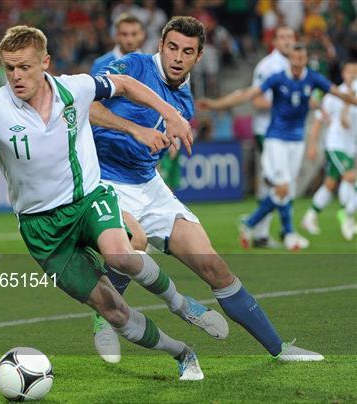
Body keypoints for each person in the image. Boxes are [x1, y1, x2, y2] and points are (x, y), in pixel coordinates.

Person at [0, 25, 222, 381]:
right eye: (9, 68)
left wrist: (168, 112)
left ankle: (181, 304)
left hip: (88, 199)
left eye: (25, 67)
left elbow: (127, 86)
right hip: (42, 229)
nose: (16, 76)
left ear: (45, 63)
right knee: (114, 311)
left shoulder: (74, 88)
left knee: (122, 255)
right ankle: (182, 352)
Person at [89, 17, 325, 363]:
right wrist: (133, 129)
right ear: (160, 46)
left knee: (215, 266)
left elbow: (156, 148)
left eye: (187, 51)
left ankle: (279, 349)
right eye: (172, 48)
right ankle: (104, 316)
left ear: (199, 57)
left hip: (148, 185)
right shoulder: (133, 65)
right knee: (133, 242)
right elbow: (87, 105)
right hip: (104, 179)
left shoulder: (185, 102)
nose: (178, 57)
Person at [199, 44, 357, 251]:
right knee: (283, 186)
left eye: (302, 59)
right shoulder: (277, 78)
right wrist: (216, 104)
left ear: (305, 60)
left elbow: (340, 94)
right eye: (295, 59)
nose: (298, 63)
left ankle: (250, 223)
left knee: (285, 191)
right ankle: (289, 233)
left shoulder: (313, 78)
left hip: (297, 141)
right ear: (290, 60)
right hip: (276, 139)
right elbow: (247, 94)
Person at [248, 25, 295, 249]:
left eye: (290, 37)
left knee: (275, 182)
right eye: (283, 37)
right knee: (277, 181)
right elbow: (256, 100)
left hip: (287, 133)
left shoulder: (294, 65)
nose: (287, 41)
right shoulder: (267, 66)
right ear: (274, 42)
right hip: (266, 130)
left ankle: (260, 231)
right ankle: (285, 231)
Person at [301, 60, 357, 241]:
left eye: (355, 72)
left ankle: (310, 216)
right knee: (350, 176)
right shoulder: (334, 96)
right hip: (335, 145)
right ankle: (346, 215)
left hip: (350, 146)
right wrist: (312, 145)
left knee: (331, 183)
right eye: (350, 71)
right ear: (343, 74)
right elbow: (319, 121)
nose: (353, 75)